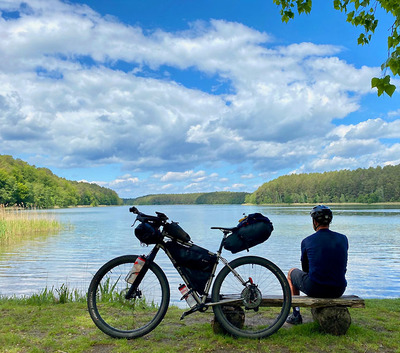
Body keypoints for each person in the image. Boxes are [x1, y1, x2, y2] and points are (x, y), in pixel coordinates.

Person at [286, 205, 348, 325]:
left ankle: (296, 314)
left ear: (314, 222)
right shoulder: (343, 239)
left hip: (316, 288)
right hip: (339, 289)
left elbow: (306, 269)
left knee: (291, 272)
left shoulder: (307, 241)